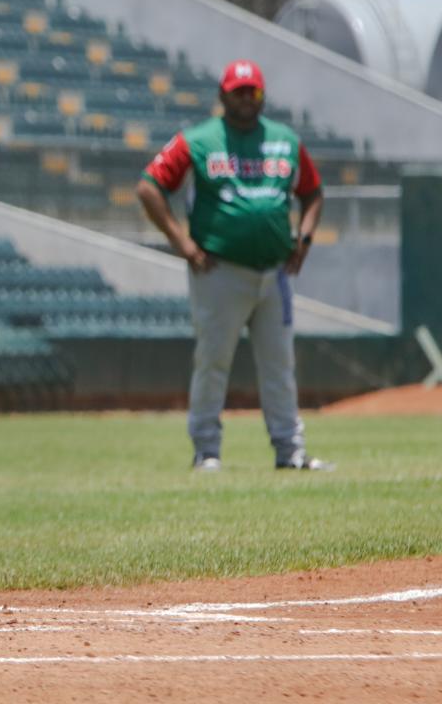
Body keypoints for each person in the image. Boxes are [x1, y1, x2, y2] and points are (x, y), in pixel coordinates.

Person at [135, 59, 331, 473]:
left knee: (280, 365)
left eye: (253, 91)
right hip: (219, 271)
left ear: (262, 96)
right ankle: (206, 450)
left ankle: (289, 452)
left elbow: (313, 192)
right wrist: (182, 242)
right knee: (213, 361)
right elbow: (149, 186)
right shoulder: (198, 139)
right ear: (222, 95)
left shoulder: (284, 140)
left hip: (274, 272)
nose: (246, 98)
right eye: (238, 91)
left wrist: (306, 238)